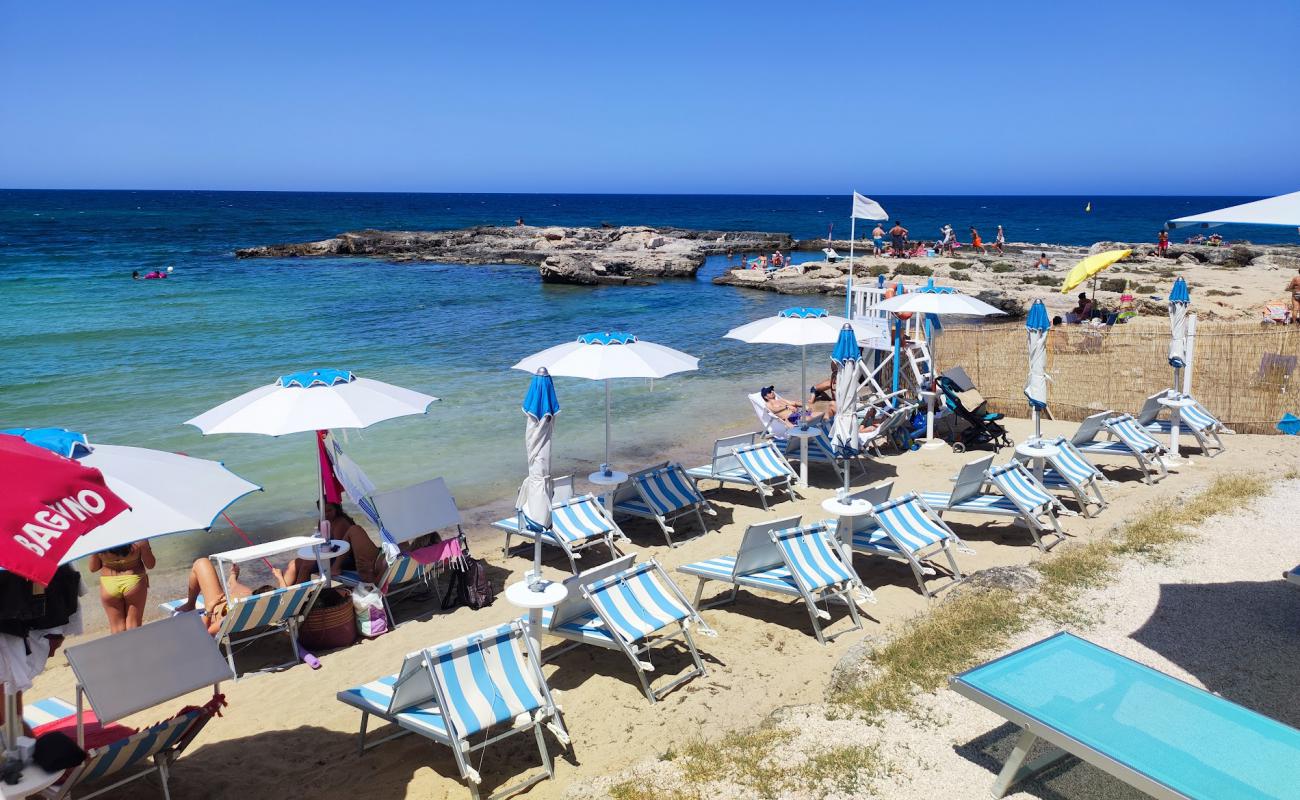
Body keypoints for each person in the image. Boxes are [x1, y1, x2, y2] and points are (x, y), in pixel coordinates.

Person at [176, 558, 287, 636]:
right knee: (244, 594)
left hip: (219, 610)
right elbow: (285, 594)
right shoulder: (279, 606)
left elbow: (208, 633)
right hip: (246, 612)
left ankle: (191, 604)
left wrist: (209, 609)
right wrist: (280, 577)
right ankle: (232, 580)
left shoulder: (235, 615)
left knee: (201, 563)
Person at [284, 502, 384, 585]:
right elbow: (324, 542)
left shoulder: (340, 522)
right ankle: (285, 593)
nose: (326, 514)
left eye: (329, 510)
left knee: (306, 565)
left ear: (336, 509)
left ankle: (299, 596)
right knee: (293, 564)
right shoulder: (322, 522)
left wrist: (317, 556)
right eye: (323, 511)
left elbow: (339, 549)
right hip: (330, 556)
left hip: (345, 559)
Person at [89, 540, 155, 634]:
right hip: (133, 580)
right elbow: (150, 564)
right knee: (134, 624)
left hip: (109, 583)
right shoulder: (139, 539)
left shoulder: (99, 540)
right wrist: (146, 547)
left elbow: (93, 568)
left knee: (116, 629)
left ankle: (120, 648)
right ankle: (135, 648)